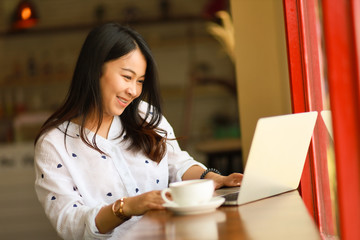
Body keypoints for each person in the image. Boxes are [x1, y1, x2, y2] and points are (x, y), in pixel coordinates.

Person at [34, 22, 243, 240]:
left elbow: (176, 163)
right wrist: (128, 207)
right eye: (126, 77)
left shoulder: (145, 115)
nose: (134, 91)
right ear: (95, 69)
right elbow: (70, 223)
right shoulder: (54, 144)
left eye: (140, 81)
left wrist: (213, 178)